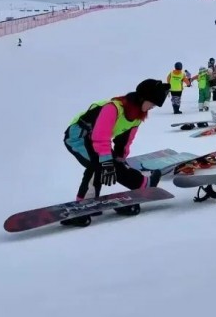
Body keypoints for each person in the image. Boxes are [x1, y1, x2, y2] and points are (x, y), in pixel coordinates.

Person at [61, 79, 170, 226]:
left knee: (111, 165)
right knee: (98, 165)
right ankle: (83, 206)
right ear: (142, 98)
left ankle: (142, 183)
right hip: (78, 137)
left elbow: (125, 141)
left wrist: (119, 159)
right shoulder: (113, 108)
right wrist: (107, 162)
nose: (153, 107)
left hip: (95, 140)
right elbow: (100, 138)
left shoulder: (137, 117)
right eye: (152, 103)